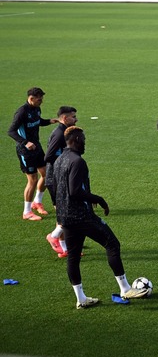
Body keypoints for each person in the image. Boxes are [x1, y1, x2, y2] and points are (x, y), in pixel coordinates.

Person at [51, 126, 149, 309]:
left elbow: (53, 187)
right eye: (84, 139)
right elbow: (74, 191)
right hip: (81, 216)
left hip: (65, 217)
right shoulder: (77, 161)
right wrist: (99, 199)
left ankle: (81, 299)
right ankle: (125, 288)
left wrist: (61, 210)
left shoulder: (59, 160)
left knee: (73, 257)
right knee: (112, 244)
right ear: (77, 139)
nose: (85, 143)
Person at [8, 87, 57, 221]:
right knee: (33, 180)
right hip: (25, 151)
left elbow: (38, 121)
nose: (41, 101)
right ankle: (27, 212)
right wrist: (25, 142)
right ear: (31, 98)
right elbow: (11, 131)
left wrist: (49, 121)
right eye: (39, 99)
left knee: (47, 175)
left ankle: (37, 202)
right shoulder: (21, 112)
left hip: (37, 147)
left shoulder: (36, 109)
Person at [44, 106, 78, 258]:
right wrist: (64, 162)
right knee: (66, 212)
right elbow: (48, 156)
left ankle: (65, 248)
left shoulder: (63, 132)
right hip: (55, 179)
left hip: (59, 178)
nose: (76, 119)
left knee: (63, 213)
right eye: (73, 117)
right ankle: (54, 236)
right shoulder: (59, 134)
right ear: (64, 118)